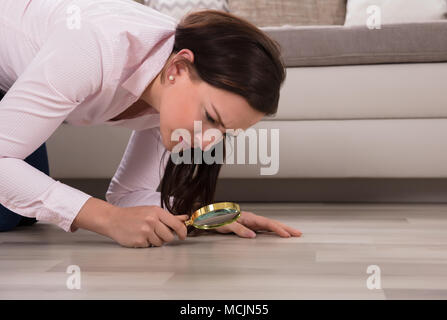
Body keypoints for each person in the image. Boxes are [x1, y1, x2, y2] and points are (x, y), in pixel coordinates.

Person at [0, 0, 302, 247]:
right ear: (178, 69)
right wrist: (107, 219)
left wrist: (199, 216)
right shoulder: (95, 46)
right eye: (211, 118)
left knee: (19, 210)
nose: (209, 143)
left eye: (226, 132)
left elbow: (129, 194)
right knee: (8, 212)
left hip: (12, 82)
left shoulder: (171, 95)